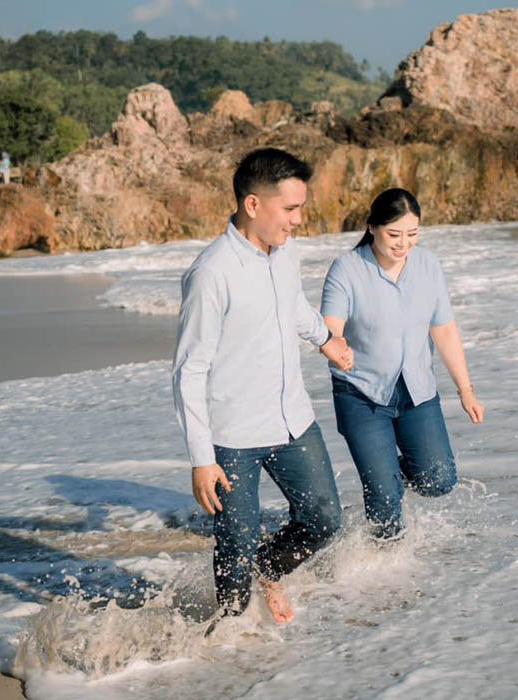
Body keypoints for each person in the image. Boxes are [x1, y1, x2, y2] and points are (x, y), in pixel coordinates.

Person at [172, 147, 353, 625]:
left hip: (293, 420)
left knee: (324, 520)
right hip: (233, 436)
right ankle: (231, 635)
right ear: (253, 204)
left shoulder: (286, 251)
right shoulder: (211, 273)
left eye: (300, 208)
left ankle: (269, 570)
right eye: (289, 208)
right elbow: (189, 369)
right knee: (236, 543)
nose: (297, 220)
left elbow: (292, 305)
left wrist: (325, 340)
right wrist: (201, 458)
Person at [321, 188, 484, 540]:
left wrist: (466, 390)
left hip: (416, 391)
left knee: (439, 480)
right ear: (372, 227)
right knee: (384, 503)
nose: (403, 243)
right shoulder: (347, 268)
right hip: (361, 394)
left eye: (412, 233)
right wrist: (334, 344)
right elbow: (330, 325)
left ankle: (387, 474)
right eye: (394, 234)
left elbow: (443, 329)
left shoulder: (428, 265)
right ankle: (385, 566)